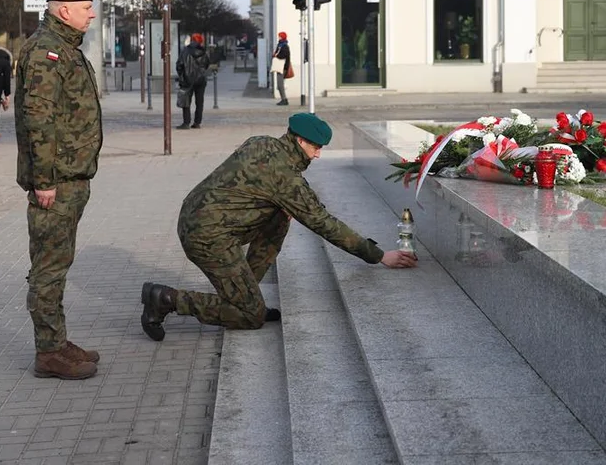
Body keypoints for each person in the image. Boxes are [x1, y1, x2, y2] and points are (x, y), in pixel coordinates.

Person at [140, 112, 417, 341]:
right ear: (299, 141)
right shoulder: (285, 178)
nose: (318, 155)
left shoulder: (261, 142)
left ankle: (247, 293)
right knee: (251, 317)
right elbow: (325, 223)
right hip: (208, 237)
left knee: (279, 219)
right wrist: (379, 255)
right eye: (315, 147)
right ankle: (166, 299)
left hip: (195, 216)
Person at [14, 0, 103, 380]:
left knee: (58, 261)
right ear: (64, 10)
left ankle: (57, 341)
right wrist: (44, 180)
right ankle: (48, 353)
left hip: (71, 177)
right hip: (57, 182)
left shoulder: (64, 47)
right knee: (48, 266)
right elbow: (39, 120)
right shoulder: (46, 52)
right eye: (86, 7)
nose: (92, 12)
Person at [175, 33, 210, 130]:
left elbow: (179, 65)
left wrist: (182, 76)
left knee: (186, 101)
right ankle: (197, 122)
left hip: (187, 79)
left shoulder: (185, 51)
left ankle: (186, 123)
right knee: (199, 102)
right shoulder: (203, 52)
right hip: (200, 80)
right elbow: (207, 64)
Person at [271, 32, 291, 106]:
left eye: (280, 36)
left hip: (283, 67)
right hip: (279, 66)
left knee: (280, 85)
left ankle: (284, 99)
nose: (278, 37)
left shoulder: (285, 46)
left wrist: (276, 55)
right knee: (279, 85)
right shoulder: (279, 45)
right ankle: (283, 99)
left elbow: (284, 55)